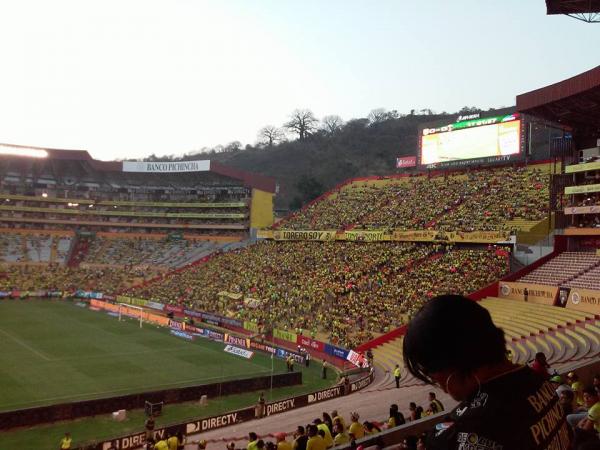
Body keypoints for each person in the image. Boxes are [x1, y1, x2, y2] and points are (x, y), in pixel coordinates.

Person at [403, 294, 572, 449]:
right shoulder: (540, 381)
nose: (443, 388)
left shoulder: (471, 431)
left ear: (451, 366)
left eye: (432, 375)